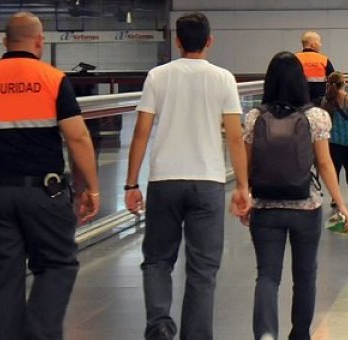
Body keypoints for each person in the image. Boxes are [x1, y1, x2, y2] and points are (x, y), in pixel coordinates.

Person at [0, 12, 100, 340]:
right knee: (56, 265)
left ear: (5, 42)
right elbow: (77, 137)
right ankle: (39, 333)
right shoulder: (52, 79)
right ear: (39, 42)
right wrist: (92, 187)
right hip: (44, 193)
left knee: (2, 278)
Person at [124, 12, 251, 340]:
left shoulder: (157, 76)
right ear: (210, 41)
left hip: (164, 180)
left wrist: (131, 183)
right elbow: (235, 137)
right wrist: (243, 186)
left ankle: (160, 326)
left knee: (157, 260)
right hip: (207, 181)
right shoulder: (223, 79)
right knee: (203, 268)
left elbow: (141, 132)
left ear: (176, 41)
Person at [242, 51, 348, 340]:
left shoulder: (254, 118)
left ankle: (266, 333)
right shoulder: (315, 117)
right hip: (306, 206)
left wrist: (244, 196)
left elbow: (246, 164)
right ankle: (300, 334)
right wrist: (341, 203)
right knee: (305, 276)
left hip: (265, 207)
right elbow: (325, 163)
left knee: (267, 275)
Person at [322, 71, 348, 206]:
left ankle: (335, 197)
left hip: (333, 140)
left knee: (335, 168)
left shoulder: (326, 100)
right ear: (344, 83)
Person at [295, 31, 335, 106]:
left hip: (299, 100)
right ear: (313, 45)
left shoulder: (294, 58)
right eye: (319, 42)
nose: (321, 44)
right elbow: (333, 79)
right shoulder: (323, 59)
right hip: (319, 101)